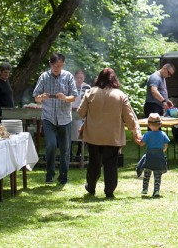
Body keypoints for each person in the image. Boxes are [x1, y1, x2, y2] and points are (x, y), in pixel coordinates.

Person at [78, 67, 142, 198]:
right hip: (112, 136)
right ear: (114, 79)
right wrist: (135, 130)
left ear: (99, 78)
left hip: (93, 136)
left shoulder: (90, 92)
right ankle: (109, 191)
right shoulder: (120, 95)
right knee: (111, 164)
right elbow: (129, 117)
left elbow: (80, 113)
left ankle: (91, 187)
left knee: (94, 162)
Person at [33, 52, 78, 185]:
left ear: (63, 64)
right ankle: (49, 175)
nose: (56, 68)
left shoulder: (68, 76)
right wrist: (41, 97)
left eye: (59, 65)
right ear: (50, 64)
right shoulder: (44, 77)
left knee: (65, 148)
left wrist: (65, 98)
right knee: (51, 145)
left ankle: (63, 176)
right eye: (54, 65)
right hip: (48, 118)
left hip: (65, 118)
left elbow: (74, 97)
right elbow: (36, 97)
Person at [136, 112, 170, 198]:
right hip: (159, 157)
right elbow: (166, 145)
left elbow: (141, 144)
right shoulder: (163, 134)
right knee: (157, 175)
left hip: (149, 157)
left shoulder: (147, 134)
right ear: (160, 124)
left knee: (147, 174)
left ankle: (145, 189)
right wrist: (162, 151)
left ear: (149, 125)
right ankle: (156, 191)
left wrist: (137, 139)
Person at [71, 69, 91, 161]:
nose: (79, 79)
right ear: (74, 77)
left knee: (80, 133)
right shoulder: (71, 86)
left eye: (81, 78)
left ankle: (80, 152)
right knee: (70, 133)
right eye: (77, 77)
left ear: (84, 78)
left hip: (81, 113)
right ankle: (70, 153)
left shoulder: (87, 87)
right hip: (71, 112)